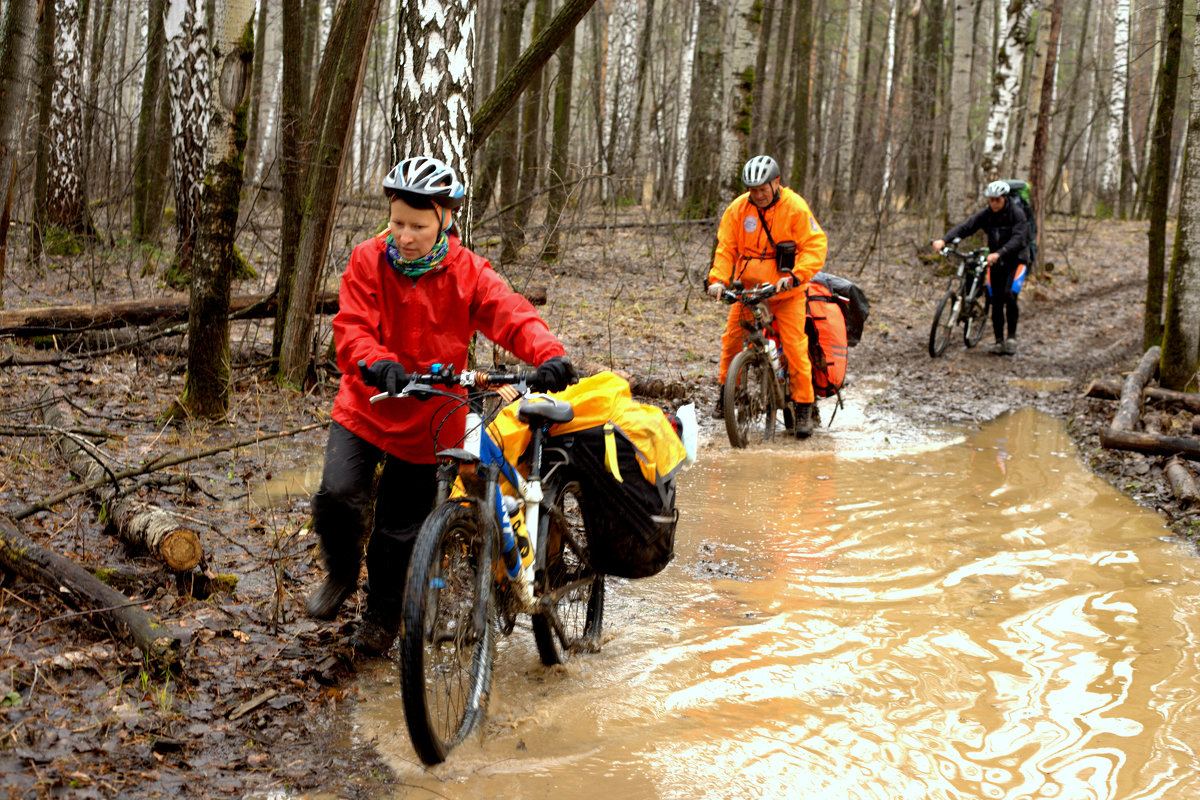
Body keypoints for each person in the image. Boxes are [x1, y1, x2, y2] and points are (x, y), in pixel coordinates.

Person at [305, 155, 577, 655]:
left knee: (398, 532)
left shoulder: (467, 272)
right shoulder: (368, 259)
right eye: (397, 223)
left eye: (418, 225)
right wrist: (376, 362)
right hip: (367, 404)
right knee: (339, 495)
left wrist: (549, 354)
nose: (404, 236)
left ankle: (381, 622)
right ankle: (341, 573)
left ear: (444, 220)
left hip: (431, 418)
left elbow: (510, 314)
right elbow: (351, 327)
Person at [705, 155, 828, 438]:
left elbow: (814, 246)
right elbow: (726, 248)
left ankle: (804, 407)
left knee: (796, 347)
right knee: (731, 341)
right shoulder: (738, 209)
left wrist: (796, 275)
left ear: (776, 182)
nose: (757, 195)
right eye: (752, 189)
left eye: (762, 189)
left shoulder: (795, 207)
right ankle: (727, 394)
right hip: (749, 292)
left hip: (786, 292)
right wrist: (718, 281)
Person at [933, 180, 1029, 355]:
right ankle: (999, 340)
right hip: (995, 262)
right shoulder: (987, 214)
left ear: (1004, 198)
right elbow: (966, 227)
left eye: (997, 200)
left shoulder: (1017, 214)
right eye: (991, 200)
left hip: (1016, 260)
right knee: (996, 299)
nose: (993, 203)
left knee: (1009, 295)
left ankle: (1012, 337)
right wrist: (944, 239)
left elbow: (1019, 239)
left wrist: (1000, 253)